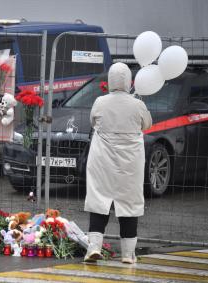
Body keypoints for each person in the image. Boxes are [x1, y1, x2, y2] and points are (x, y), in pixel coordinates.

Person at [84, 62, 152, 264]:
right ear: (129, 81)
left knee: (99, 201)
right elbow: (147, 124)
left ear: (110, 81)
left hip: (102, 159)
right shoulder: (137, 104)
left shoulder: (100, 101)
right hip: (129, 162)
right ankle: (128, 254)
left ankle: (93, 248)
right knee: (128, 203)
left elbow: (93, 122)